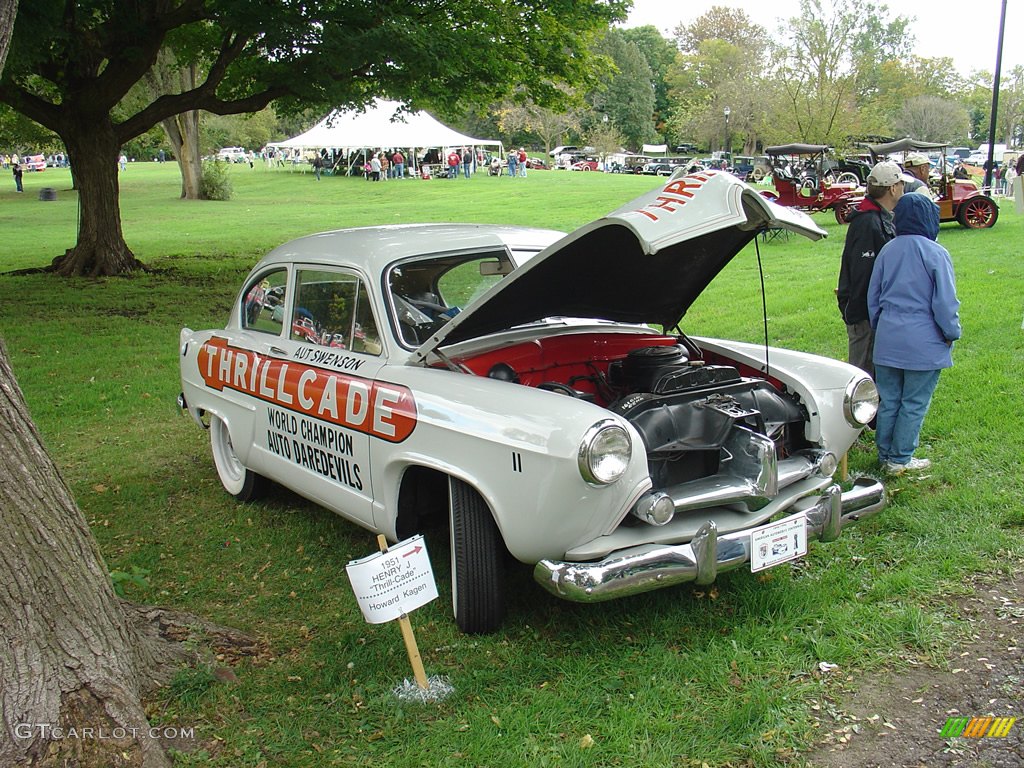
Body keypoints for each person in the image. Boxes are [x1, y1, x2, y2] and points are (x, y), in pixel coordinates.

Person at [867, 193, 961, 475]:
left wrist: (880, 328)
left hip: (888, 337)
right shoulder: (936, 253)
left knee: (890, 399)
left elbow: (874, 296)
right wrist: (951, 332)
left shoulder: (888, 250)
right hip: (924, 339)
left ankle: (885, 455)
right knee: (914, 402)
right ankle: (900, 458)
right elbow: (945, 302)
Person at [836, 160, 904, 378]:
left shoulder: (877, 218)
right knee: (862, 376)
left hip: (872, 312)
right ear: (893, 188)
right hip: (864, 314)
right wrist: (863, 314)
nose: (903, 188)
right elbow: (863, 274)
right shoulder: (868, 222)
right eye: (901, 184)